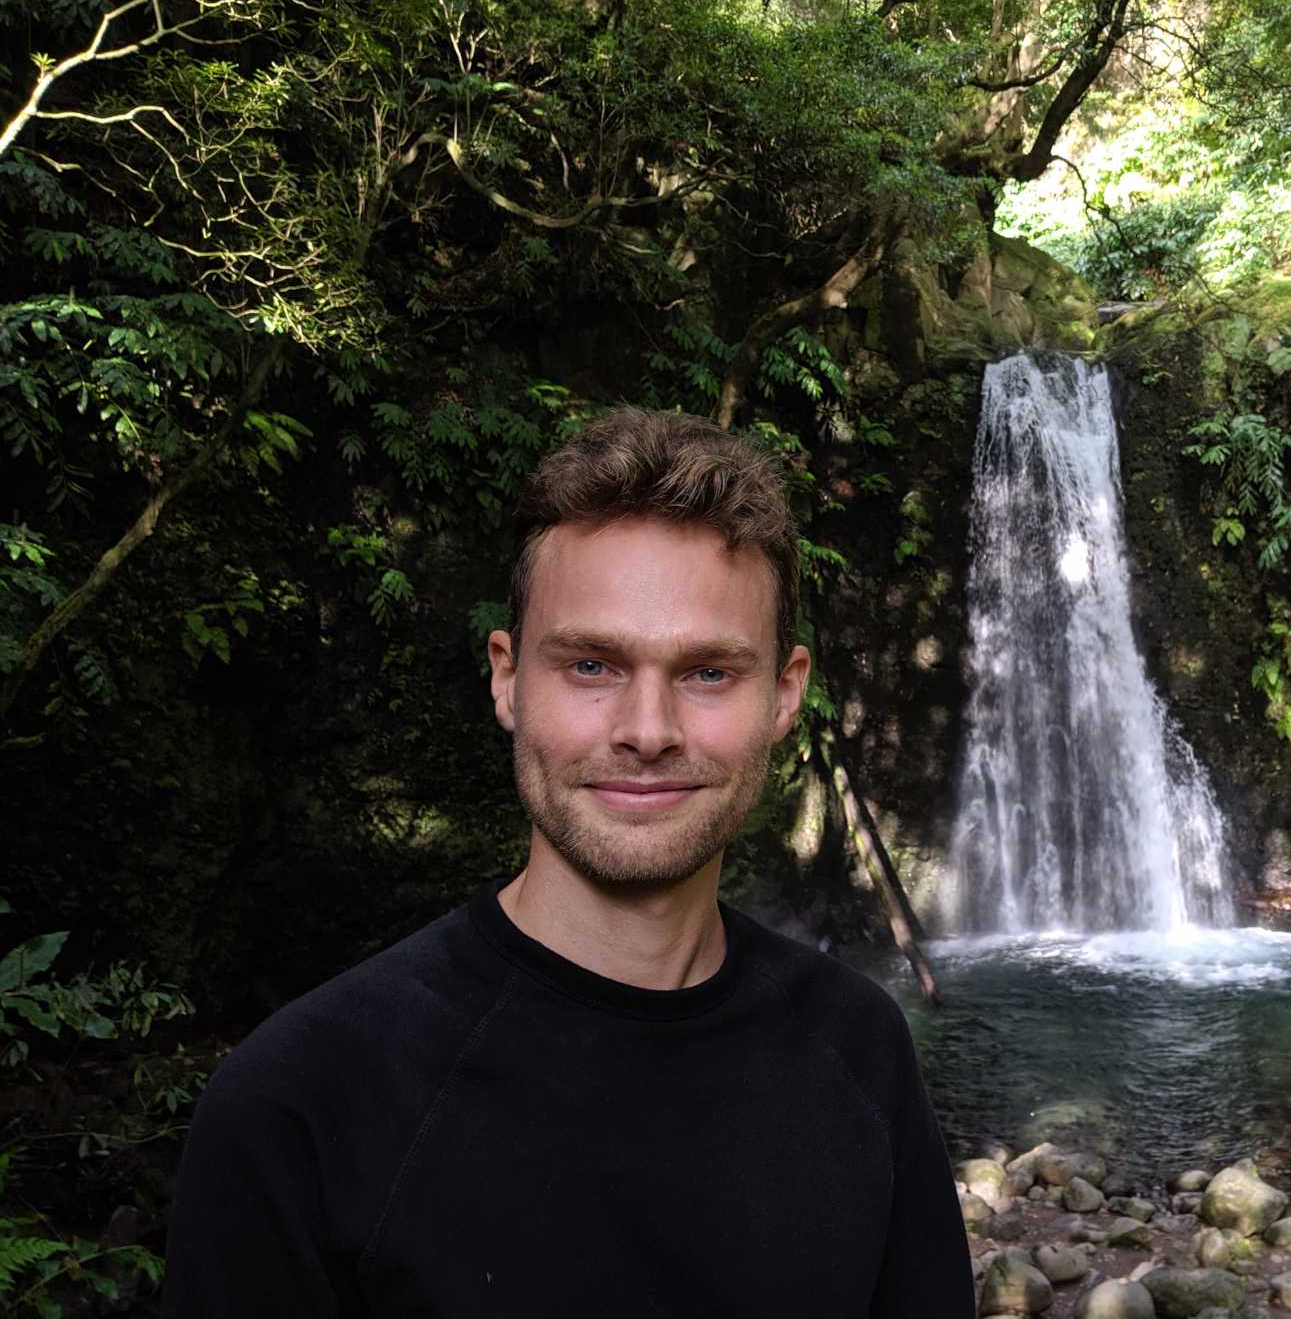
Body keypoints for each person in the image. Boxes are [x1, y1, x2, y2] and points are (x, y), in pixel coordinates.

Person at [164, 408, 974, 1316]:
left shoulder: (859, 1051)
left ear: (785, 695)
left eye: (709, 672)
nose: (647, 732)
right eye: (592, 666)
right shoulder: (302, 1106)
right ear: (506, 678)